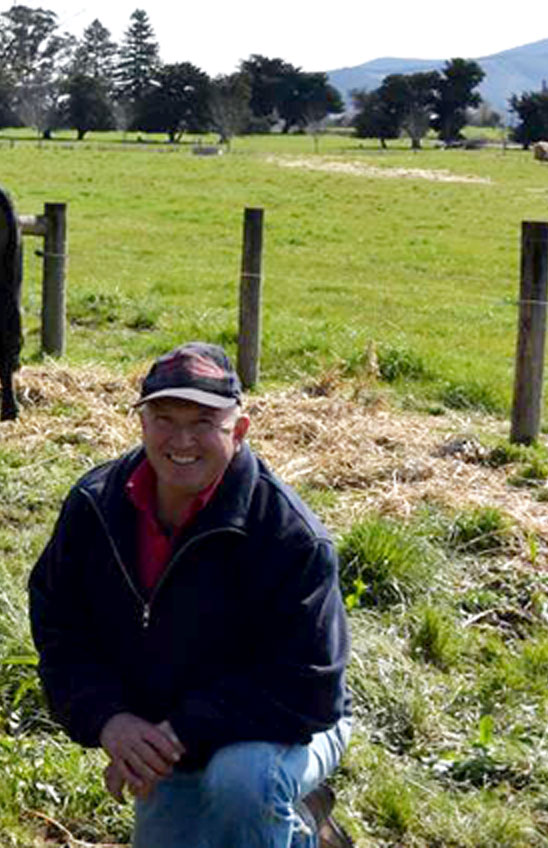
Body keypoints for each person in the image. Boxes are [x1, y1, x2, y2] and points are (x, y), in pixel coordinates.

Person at [28, 342, 353, 848]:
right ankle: (299, 826)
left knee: (244, 783)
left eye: (204, 422)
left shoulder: (289, 536)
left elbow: (310, 685)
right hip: (169, 730)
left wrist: (179, 732)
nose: (182, 439)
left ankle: (290, 819)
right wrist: (110, 719)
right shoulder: (95, 506)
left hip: (286, 723)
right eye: (164, 417)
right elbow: (59, 626)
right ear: (140, 421)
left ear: (239, 431)